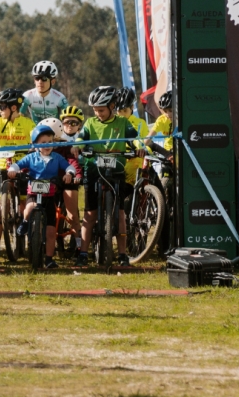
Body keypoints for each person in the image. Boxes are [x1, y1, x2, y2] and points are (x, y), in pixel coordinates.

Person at [75, 86, 143, 268]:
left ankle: (122, 254)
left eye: (102, 110)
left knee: (120, 213)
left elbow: (133, 138)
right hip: (93, 169)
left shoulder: (122, 122)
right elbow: (81, 138)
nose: (98, 114)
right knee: (89, 214)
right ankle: (83, 253)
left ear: (112, 106)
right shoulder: (90, 123)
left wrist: (139, 147)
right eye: (95, 110)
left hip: (116, 170)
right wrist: (80, 146)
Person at [10, 124, 76, 270]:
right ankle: (26, 222)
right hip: (33, 193)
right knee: (29, 208)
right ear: (36, 145)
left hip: (49, 196)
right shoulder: (31, 157)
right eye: (43, 143)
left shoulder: (57, 158)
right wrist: (13, 170)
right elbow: (18, 165)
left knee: (51, 231)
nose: (47, 145)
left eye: (50, 142)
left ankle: (49, 258)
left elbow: (69, 166)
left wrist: (68, 174)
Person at [0, 89, 34, 258]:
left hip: (22, 167)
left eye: (3, 106)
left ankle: (27, 242)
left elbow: (38, 138)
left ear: (14, 108)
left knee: (23, 206)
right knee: (0, 209)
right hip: (3, 166)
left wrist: (35, 146)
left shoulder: (28, 123)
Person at [58, 106, 86, 251]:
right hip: (56, 177)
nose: (69, 125)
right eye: (66, 122)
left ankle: (79, 245)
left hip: (76, 175)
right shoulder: (56, 136)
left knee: (72, 214)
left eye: (74, 123)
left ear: (79, 125)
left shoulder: (83, 138)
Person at [115, 87, 149, 186]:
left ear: (132, 107)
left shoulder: (140, 123)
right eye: (119, 111)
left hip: (135, 159)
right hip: (118, 160)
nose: (122, 115)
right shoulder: (113, 123)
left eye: (125, 111)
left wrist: (141, 148)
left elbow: (145, 142)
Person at [145, 90, 173, 156]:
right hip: (168, 152)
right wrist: (142, 146)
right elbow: (147, 140)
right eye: (165, 111)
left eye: (171, 110)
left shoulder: (184, 118)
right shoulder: (161, 120)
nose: (168, 114)